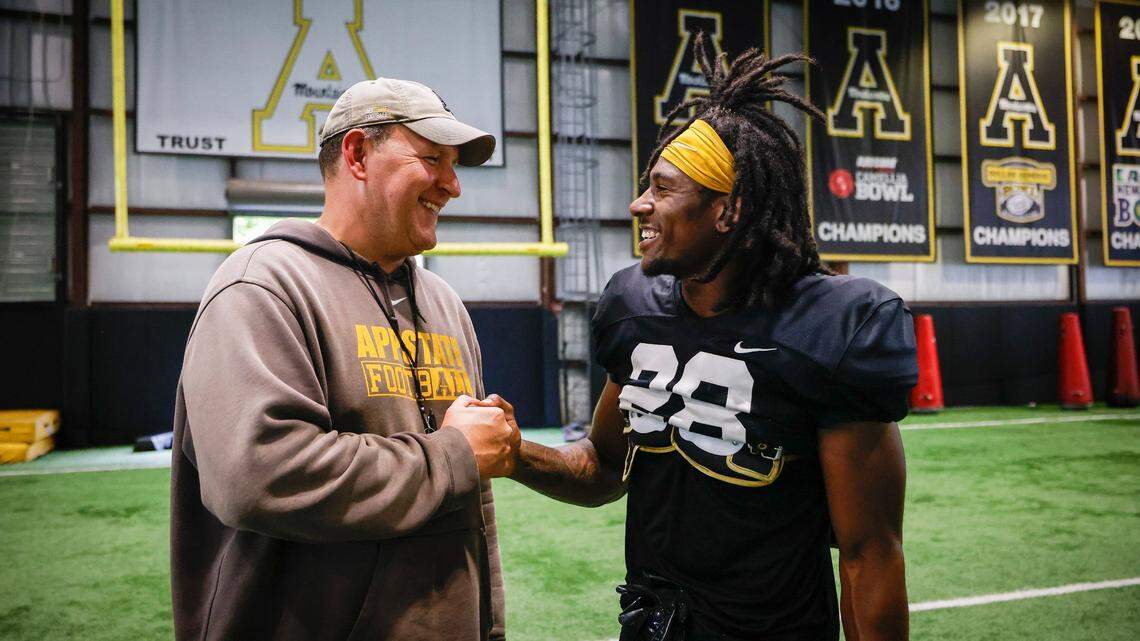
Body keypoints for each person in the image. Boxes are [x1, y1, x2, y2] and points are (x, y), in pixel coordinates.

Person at [497, 39, 918, 641]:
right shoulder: (632, 308)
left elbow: (869, 552)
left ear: (729, 211)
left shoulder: (833, 326)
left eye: (664, 189)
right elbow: (605, 466)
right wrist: (516, 454)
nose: (639, 203)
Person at [170, 77, 519, 641]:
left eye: (455, 166)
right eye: (432, 159)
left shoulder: (445, 304)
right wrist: (452, 454)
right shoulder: (262, 287)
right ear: (357, 154)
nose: (452, 186)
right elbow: (259, 476)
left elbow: (470, 510)